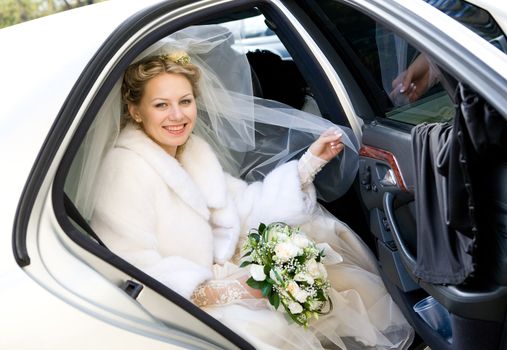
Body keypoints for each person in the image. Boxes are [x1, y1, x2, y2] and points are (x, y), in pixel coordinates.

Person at [78, 25, 414, 349]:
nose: (177, 116)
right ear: (135, 111)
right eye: (161, 105)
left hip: (224, 272)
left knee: (322, 241)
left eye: (185, 101)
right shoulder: (124, 169)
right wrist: (235, 289)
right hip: (180, 304)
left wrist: (307, 165)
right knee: (269, 325)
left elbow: (246, 207)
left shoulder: (193, 153)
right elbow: (137, 270)